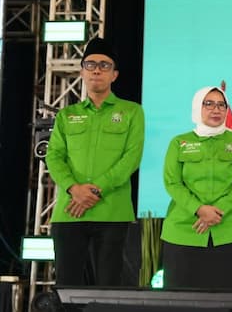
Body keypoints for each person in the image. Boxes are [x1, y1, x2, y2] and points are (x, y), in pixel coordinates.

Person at [46, 37, 145, 286]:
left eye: (104, 65)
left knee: (108, 291)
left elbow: (131, 157)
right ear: (82, 72)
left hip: (112, 213)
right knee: (67, 289)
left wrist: (94, 190)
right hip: (70, 212)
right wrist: (74, 188)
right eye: (90, 65)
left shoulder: (132, 111)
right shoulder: (67, 115)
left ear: (114, 75)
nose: (96, 70)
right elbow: (54, 156)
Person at [161, 86, 232, 290]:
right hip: (184, 229)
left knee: (230, 296)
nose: (216, 109)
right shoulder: (179, 142)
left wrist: (218, 210)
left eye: (222, 105)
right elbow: (172, 182)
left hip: (231, 230)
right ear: (197, 107)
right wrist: (199, 209)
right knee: (181, 298)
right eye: (209, 104)